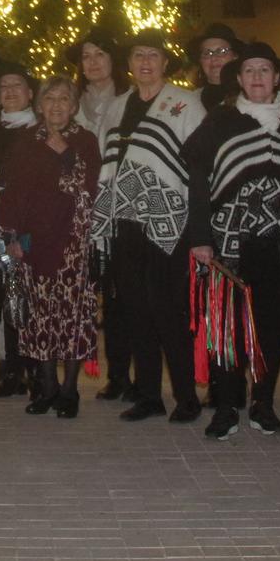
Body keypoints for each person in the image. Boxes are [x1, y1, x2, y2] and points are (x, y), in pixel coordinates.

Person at [181, 41, 280, 440]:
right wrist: (201, 237)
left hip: (279, 241)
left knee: (270, 326)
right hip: (229, 242)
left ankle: (263, 403)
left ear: (276, 78)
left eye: (264, 70)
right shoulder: (221, 120)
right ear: (237, 79)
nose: (257, 77)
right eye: (249, 71)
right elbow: (198, 182)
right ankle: (226, 406)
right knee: (227, 326)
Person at [90, 30, 207, 424]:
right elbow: (106, 160)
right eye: (138, 55)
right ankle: (148, 395)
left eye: (153, 56)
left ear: (165, 62)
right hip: (125, 221)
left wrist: (198, 227)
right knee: (135, 308)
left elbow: (199, 169)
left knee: (169, 311)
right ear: (129, 63)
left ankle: (187, 397)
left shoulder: (185, 104)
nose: (145, 62)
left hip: (169, 220)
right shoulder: (117, 106)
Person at [0, 77, 102, 420]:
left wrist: (66, 154)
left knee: (71, 317)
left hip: (73, 243)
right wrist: (7, 240)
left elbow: (89, 192)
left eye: (64, 99)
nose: (56, 105)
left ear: (74, 107)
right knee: (36, 317)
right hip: (30, 245)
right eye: (50, 98)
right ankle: (46, 386)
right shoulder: (25, 141)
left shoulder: (85, 141)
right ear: (39, 105)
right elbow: (11, 194)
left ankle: (70, 390)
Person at [66, 27, 132, 400]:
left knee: (121, 296)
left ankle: (123, 374)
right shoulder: (70, 101)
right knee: (83, 294)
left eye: (99, 55)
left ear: (113, 61)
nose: (91, 62)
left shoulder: (129, 100)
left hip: (119, 209)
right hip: (76, 211)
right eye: (86, 56)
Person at [0, 68, 38, 397]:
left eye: (18, 86)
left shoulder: (42, 130)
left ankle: (36, 370)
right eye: (4, 86)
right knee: (6, 295)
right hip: (0, 225)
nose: (11, 91)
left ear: (30, 94)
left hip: (32, 228)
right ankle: (14, 369)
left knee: (32, 296)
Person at [186, 22, 243, 112]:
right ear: (200, 60)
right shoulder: (189, 102)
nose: (214, 58)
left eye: (221, 51)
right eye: (207, 53)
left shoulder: (250, 98)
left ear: (235, 56)